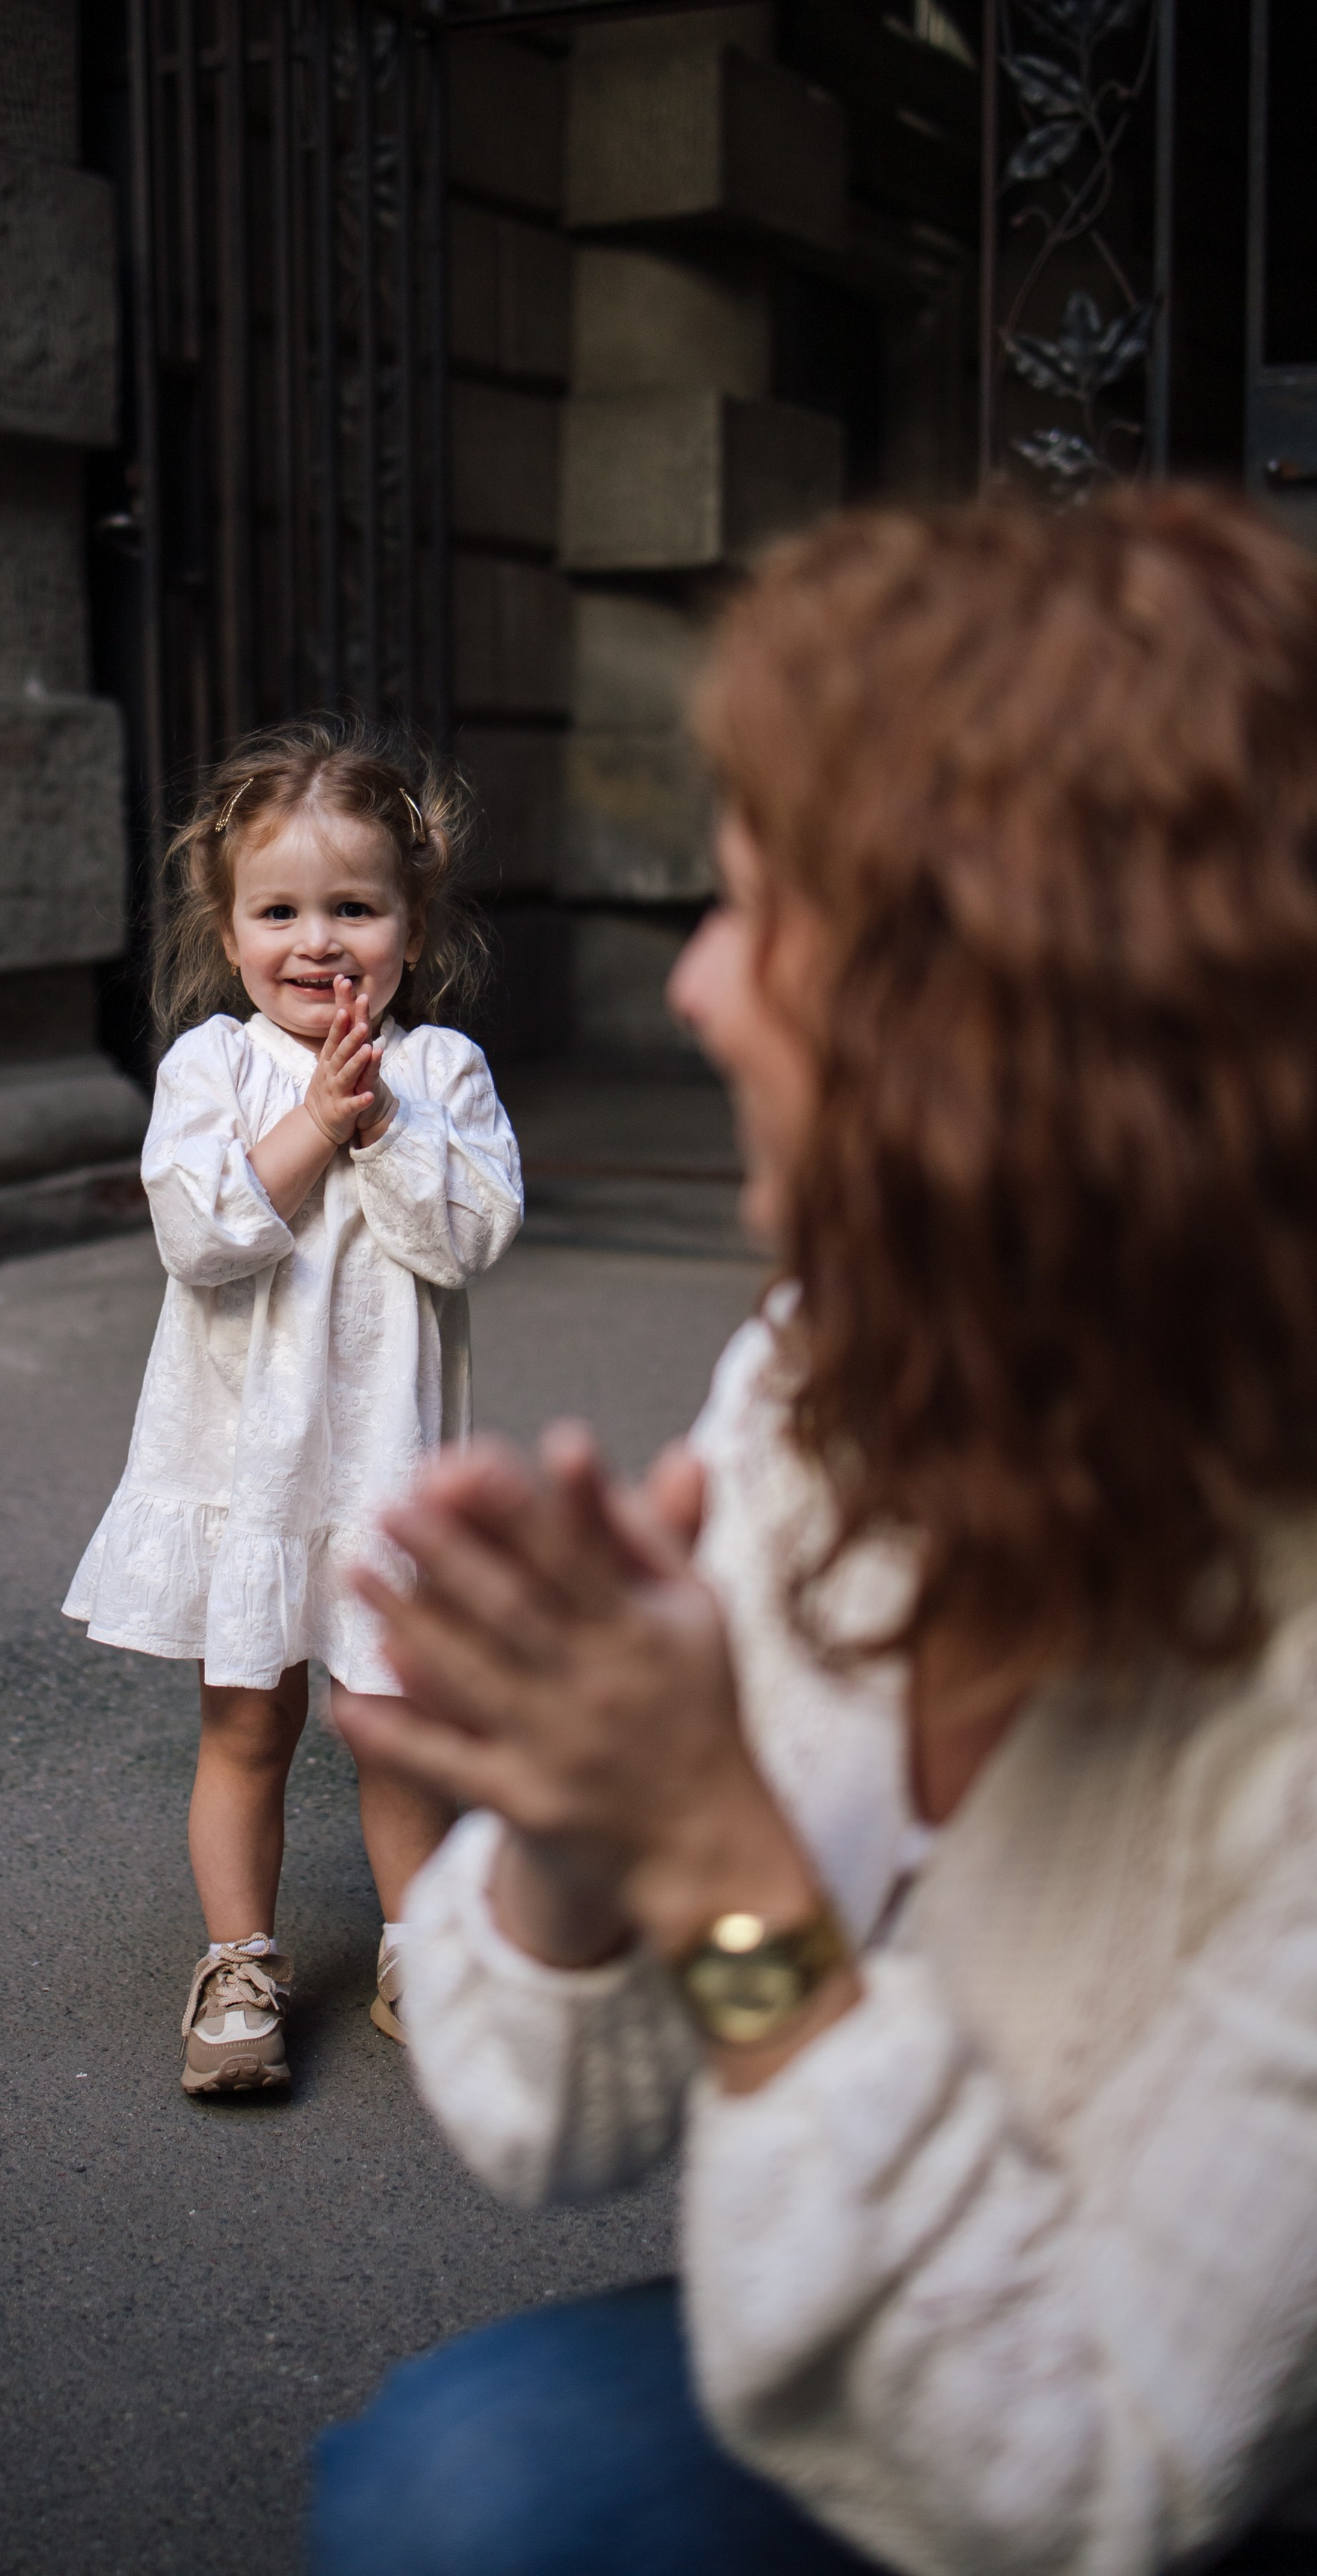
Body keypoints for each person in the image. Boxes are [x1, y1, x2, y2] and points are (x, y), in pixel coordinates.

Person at [317, 487, 1317, 2575]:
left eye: (758, 910)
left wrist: (722, 1860)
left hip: (1147, 2449)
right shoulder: (826, 1384)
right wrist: (591, 1814)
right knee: (466, 2482)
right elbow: (535, 2115)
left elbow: (1115, 2477)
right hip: (896, 2272)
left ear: (1007, 1021)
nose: (695, 992)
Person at [64, 721, 523, 2097]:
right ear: (229, 923)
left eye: (355, 908)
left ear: (412, 921)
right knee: (247, 1720)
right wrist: (316, 1122)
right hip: (247, 1473)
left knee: (390, 1724)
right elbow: (204, 1238)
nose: (318, 942)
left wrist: (380, 1125)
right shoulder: (211, 1070)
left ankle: (418, 1950)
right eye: (280, 911)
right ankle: (239, 1963)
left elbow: (465, 1240)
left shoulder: (440, 1078)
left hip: (384, 1475)